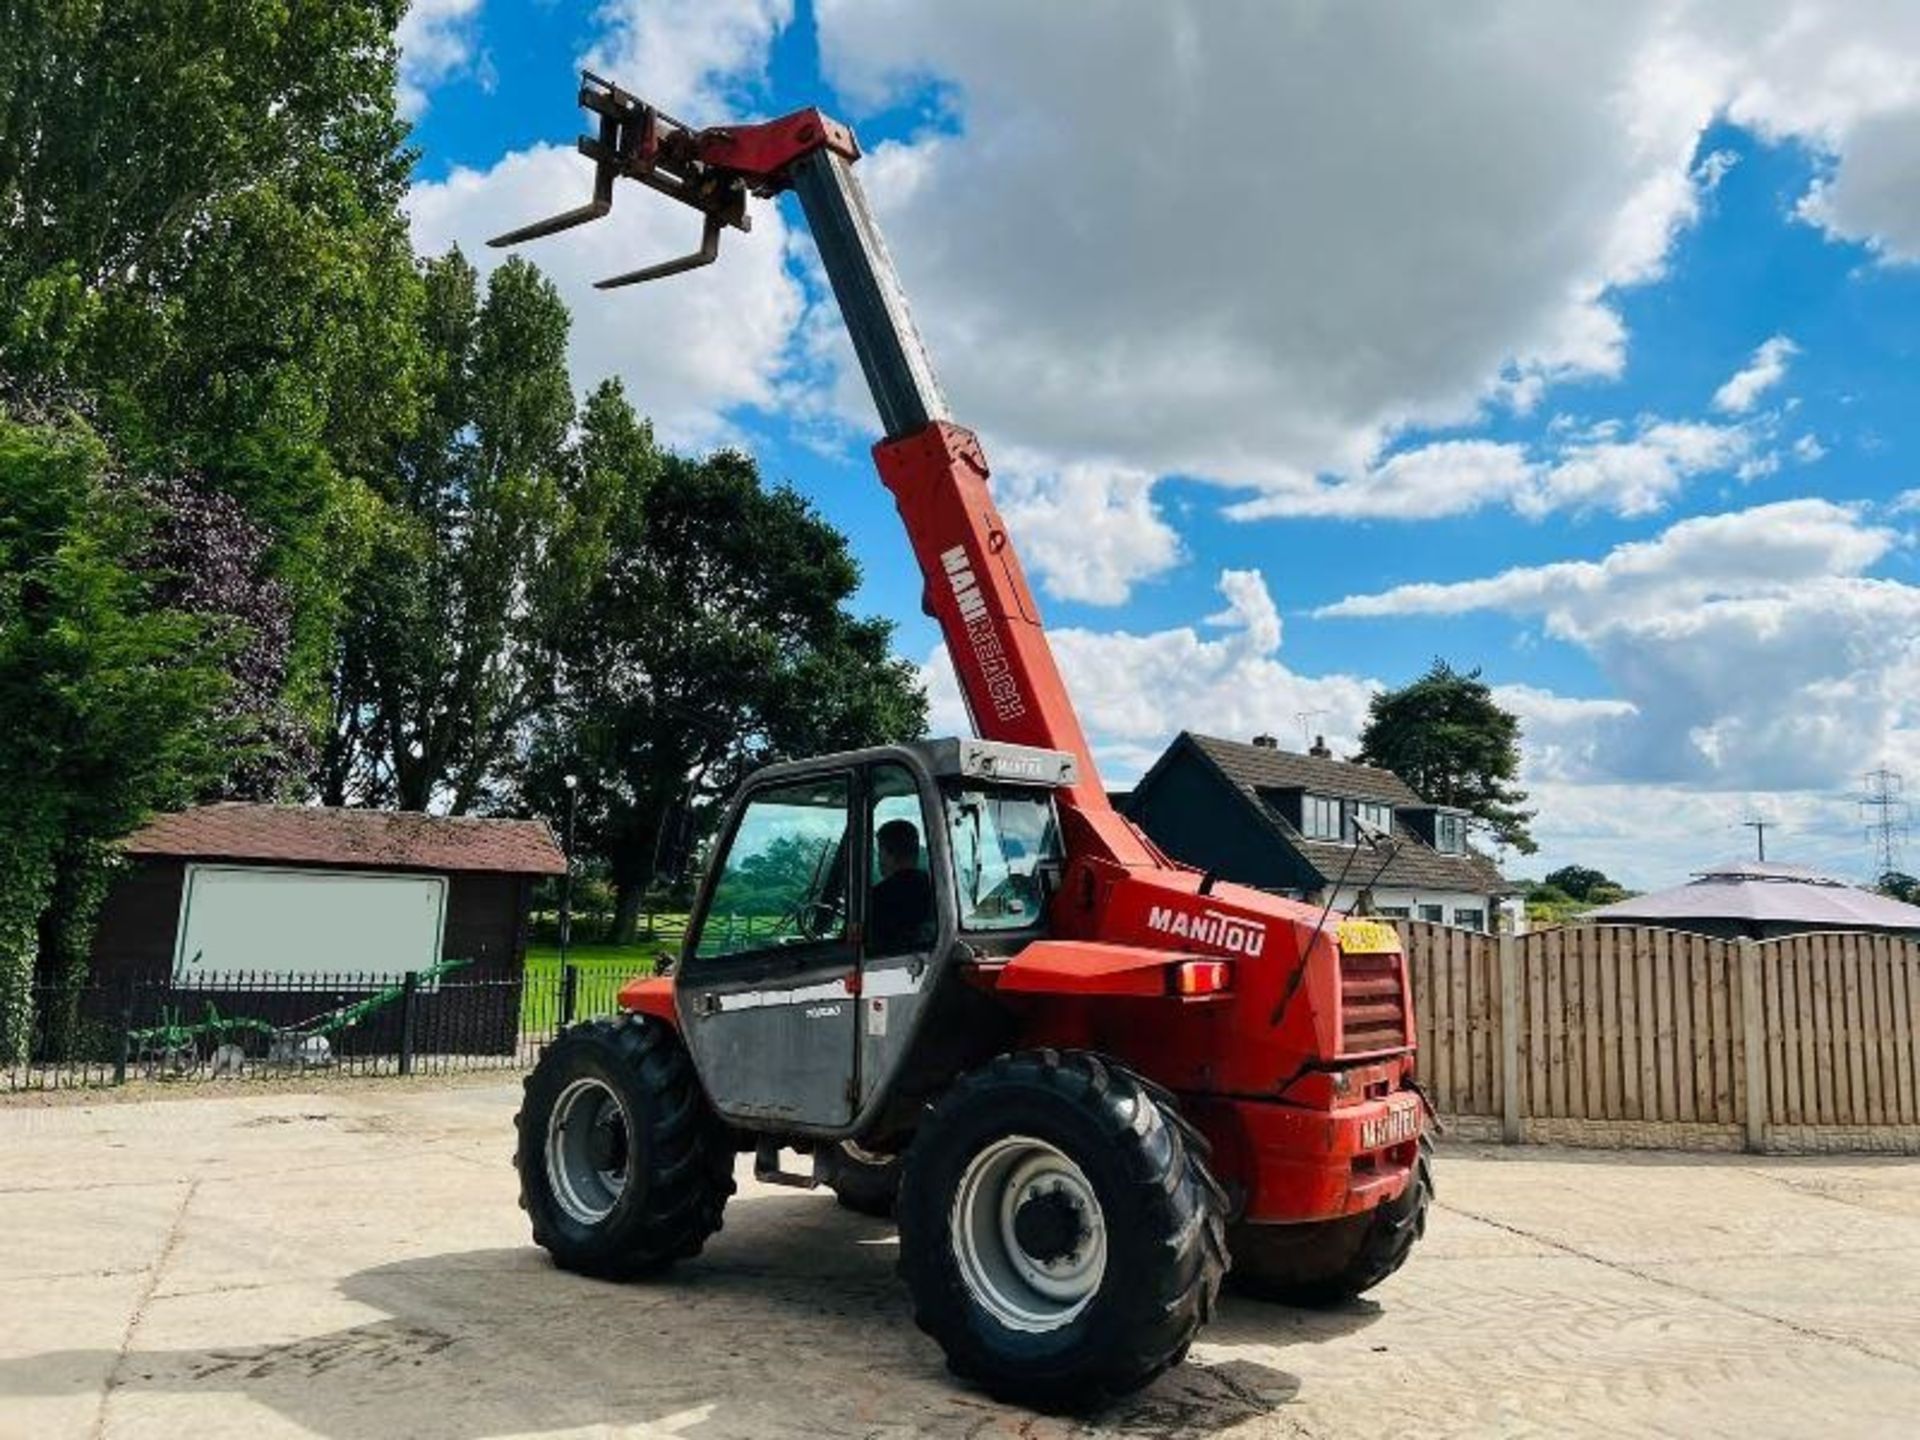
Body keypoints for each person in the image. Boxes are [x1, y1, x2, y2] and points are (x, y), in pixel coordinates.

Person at [868, 817, 934, 955]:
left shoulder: (878, 898)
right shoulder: (936, 891)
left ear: (888, 853)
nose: (879, 858)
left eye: (880, 852)